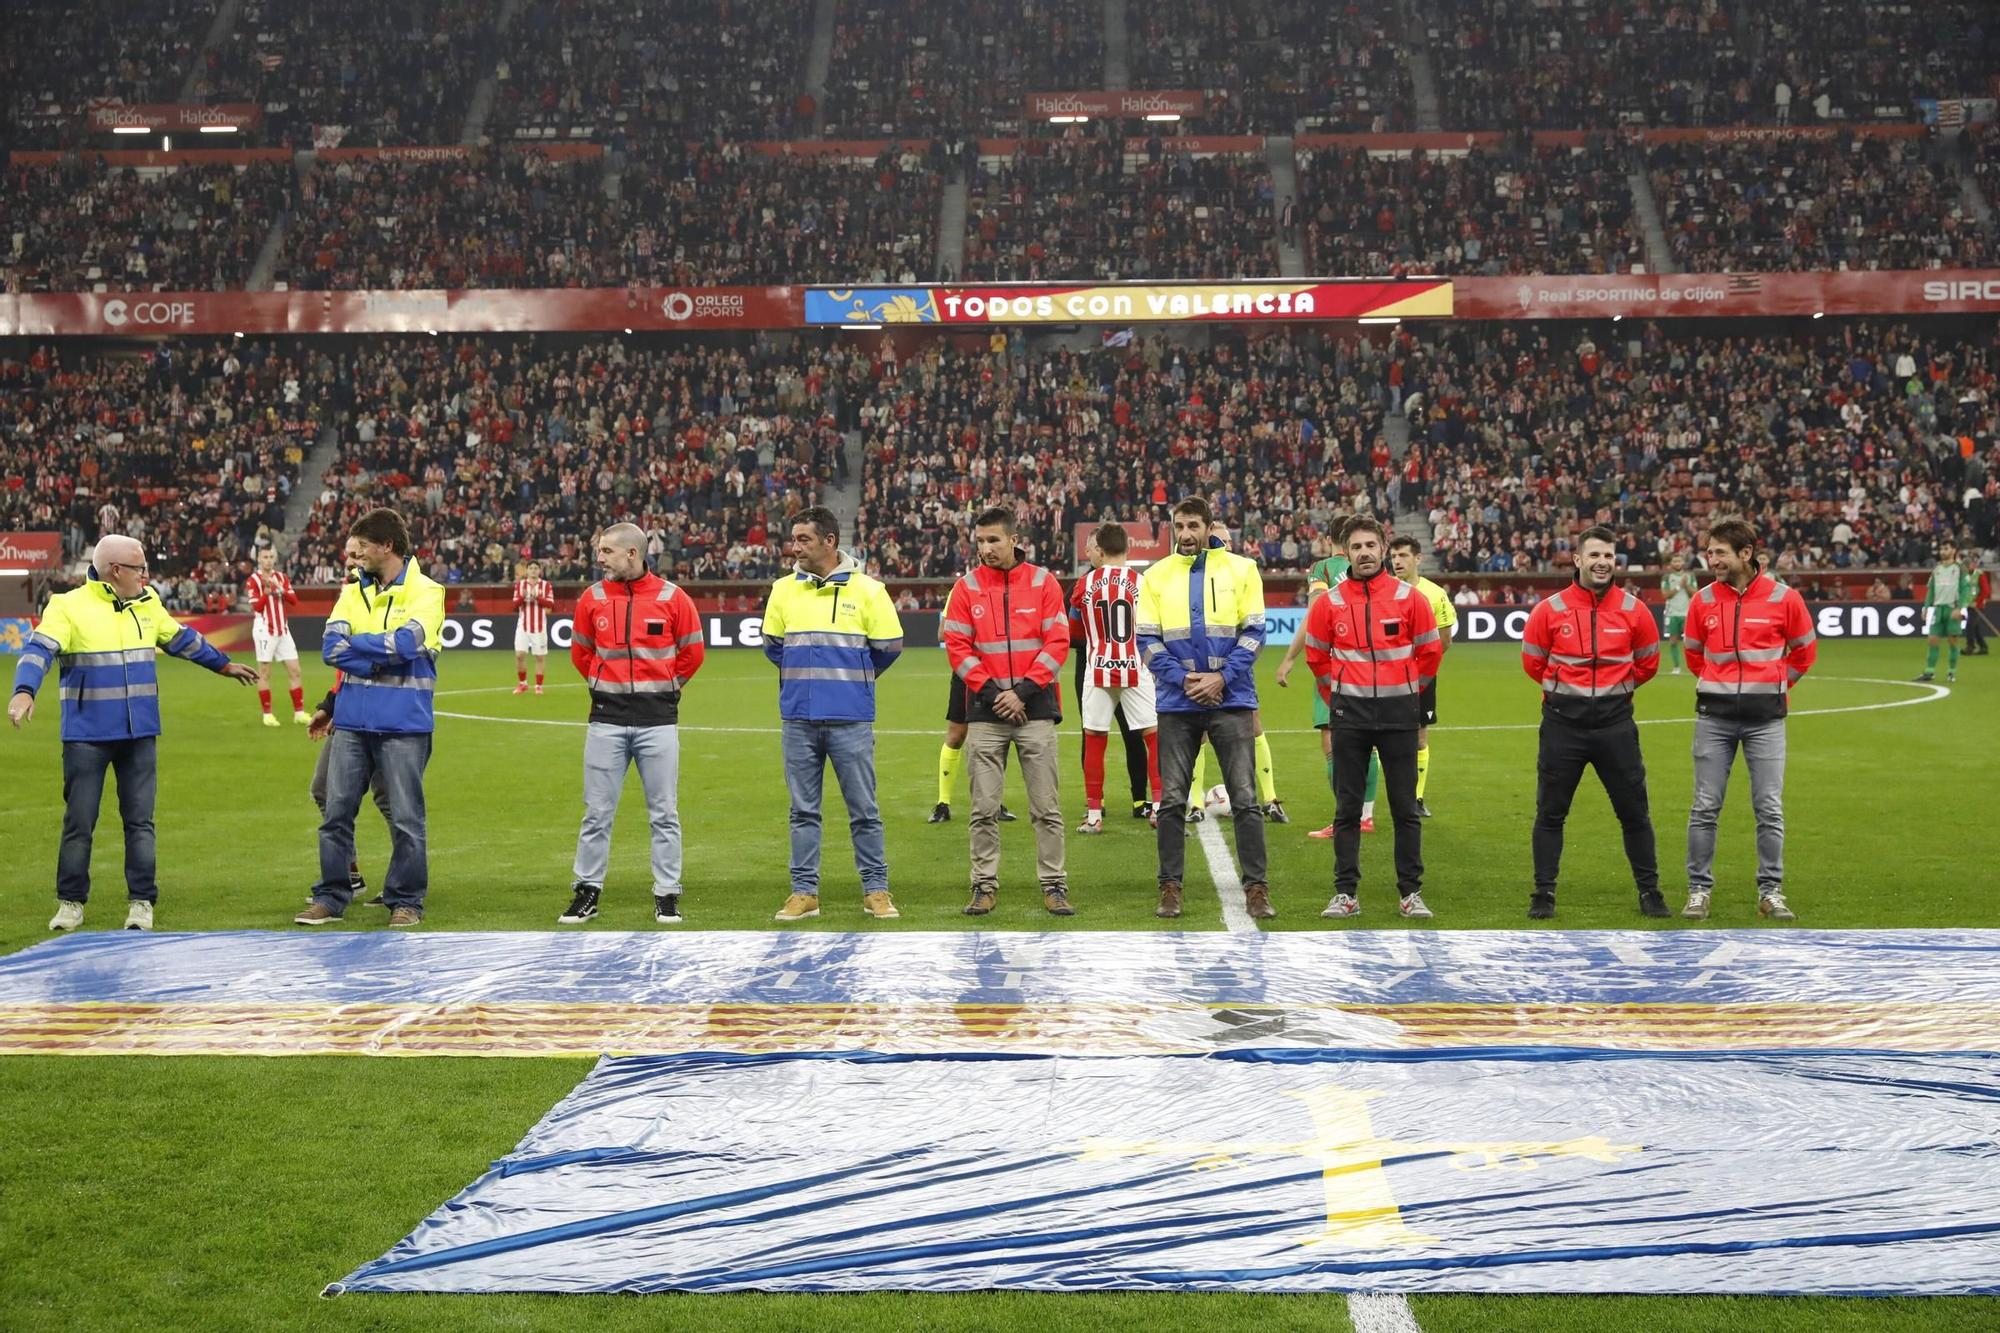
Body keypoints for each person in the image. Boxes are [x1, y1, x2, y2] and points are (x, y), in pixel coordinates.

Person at [11, 534, 257, 931]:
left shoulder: (148, 603)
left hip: (139, 734)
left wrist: (223, 665)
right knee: (80, 822)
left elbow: (182, 640)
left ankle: (141, 902)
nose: (147, 574)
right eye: (140, 568)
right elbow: (38, 651)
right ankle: (71, 902)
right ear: (116, 571)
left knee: (140, 822)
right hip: (86, 736)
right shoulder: (67, 606)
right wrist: (24, 692)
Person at [294, 508, 446, 928]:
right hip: (352, 724)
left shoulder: (428, 592)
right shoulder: (351, 591)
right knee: (336, 814)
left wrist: (361, 650)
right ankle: (332, 896)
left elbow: (407, 643)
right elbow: (330, 648)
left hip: (403, 726)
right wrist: (380, 656)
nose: (354, 557)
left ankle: (406, 900)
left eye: (362, 548)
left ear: (388, 547)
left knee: (406, 820)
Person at [762, 506, 905, 922]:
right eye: (794, 539)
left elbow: (890, 647)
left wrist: (854, 680)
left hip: (851, 718)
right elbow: (773, 645)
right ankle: (804, 893)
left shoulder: (869, 591)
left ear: (829, 541)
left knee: (864, 809)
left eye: (804, 539)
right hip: (798, 718)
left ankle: (876, 890)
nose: (795, 547)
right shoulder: (782, 589)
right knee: (802, 810)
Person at [561, 524, 706, 926]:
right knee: (596, 812)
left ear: (632, 554)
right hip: (606, 719)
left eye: (607, 551)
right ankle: (586, 891)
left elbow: (692, 652)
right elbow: (581, 652)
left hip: (658, 721)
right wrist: (600, 684)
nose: (600, 557)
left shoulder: (672, 598)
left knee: (664, 812)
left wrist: (667, 687)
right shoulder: (591, 598)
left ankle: (667, 893)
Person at [1137, 496, 1273, 920]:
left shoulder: (1242, 569)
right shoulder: (1155, 575)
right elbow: (1146, 640)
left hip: (1230, 699)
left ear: (1210, 526)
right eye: (1180, 526)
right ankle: (1170, 888)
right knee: (1173, 801)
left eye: (1194, 525)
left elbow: (1254, 634)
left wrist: (1220, 678)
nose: (1187, 533)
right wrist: (1186, 680)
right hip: (1178, 703)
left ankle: (1257, 889)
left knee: (1246, 799)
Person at [1520, 526, 1666, 919]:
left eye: (1609, 556)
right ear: (1578, 559)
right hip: (1562, 727)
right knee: (1550, 813)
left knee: (1634, 813)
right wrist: (1570, 692)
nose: (1602, 563)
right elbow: (1534, 663)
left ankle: (1650, 891)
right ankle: (1543, 893)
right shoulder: (1548, 610)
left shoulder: (1635, 610)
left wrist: (1614, 691)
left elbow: (1648, 662)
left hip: (1616, 728)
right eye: (1595, 555)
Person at [1301, 516, 1443, 920]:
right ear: (1346, 552)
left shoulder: (1409, 598)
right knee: (1347, 809)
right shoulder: (1330, 601)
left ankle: (1410, 893)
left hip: (1399, 715)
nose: (1364, 553)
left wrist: (1408, 691)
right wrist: (1341, 694)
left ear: (1383, 549)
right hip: (1351, 716)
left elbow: (1430, 652)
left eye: (1371, 546)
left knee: (1404, 809)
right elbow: (1316, 655)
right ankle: (1345, 893)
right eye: (1356, 547)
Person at [1683, 516, 1817, 922]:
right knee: (1705, 807)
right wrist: (1718, 684)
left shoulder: (1785, 598)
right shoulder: (1701, 600)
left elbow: (1804, 652)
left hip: (1766, 722)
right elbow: (1693, 654)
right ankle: (1698, 890)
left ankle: (1770, 892)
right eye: (1710, 552)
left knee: (1769, 808)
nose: (1712, 559)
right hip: (1714, 719)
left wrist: (1775, 686)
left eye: (1720, 552)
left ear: (1746, 554)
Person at [941, 506, 1074, 916]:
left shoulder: (1043, 582)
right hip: (986, 713)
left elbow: (1058, 643)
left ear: (1014, 539)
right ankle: (983, 885)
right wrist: (995, 692)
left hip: (1034, 711)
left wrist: (1022, 692)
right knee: (983, 809)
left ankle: (1054, 885)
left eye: (993, 540)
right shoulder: (966, 588)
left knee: (1046, 809)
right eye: (980, 541)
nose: (986, 548)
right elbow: (958, 649)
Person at [1276, 516, 1381, 837]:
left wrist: (1290, 658)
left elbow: (1317, 613)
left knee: (1333, 739)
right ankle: (1366, 815)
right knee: (1372, 742)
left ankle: (1345, 817)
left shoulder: (1322, 570)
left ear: (1329, 539)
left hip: (1337, 665)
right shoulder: (1376, 567)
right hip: (1375, 666)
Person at [1184, 522, 1286, 826]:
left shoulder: (1242, 574)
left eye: (1228, 541)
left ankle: (1269, 799)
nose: (1224, 545)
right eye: (1218, 540)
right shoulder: (1192, 577)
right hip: (1199, 668)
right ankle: (1194, 803)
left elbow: (1253, 626)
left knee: (1253, 725)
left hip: (1236, 668)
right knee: (1198, 734)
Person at [1071, 523, 1161, 833]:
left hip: (1097, 667)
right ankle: (1159, 809)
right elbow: (1153, 627)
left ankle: (1094, 814)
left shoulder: (1084, 584)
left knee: (1095, 739)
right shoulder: (1143, 582)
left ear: (1099, 550)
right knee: (1153, 736)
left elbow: (1075, 630)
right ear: (1127, 548)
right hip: (1135, 666)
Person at [306, 671, 394, 907]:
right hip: (349, 713)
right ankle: (348, 873)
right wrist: (331, 706)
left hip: (390, 715)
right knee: (323, 789)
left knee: (394, 801)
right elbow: (345, 671)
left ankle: (403, 884)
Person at [1388, 536, 1457, 818]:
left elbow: (1444, 639)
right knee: (1379, 737)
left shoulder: (1435, 594)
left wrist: (1423, 669)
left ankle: (1416, 797)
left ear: (1418, 559)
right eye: (1393, 556)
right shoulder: (1384, 591)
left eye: (1403, 556)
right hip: (1387, 677)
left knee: (1419, 737)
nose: (1397, 561)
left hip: (1420, 678)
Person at [246, 547, 306, 726]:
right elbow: (257, 607)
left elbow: (294, 600)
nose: (268, 560)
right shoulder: (253, 580)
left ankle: (299, 713)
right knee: (265, 672)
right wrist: (266, 591)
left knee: (295, 670)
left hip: (283, 629)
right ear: (258, 559)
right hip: (264, 629)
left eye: (271, 557)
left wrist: (279, 589)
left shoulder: (281, 578)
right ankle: (267, 714)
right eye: (265, 557)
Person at [1915, 539, 1968, 683]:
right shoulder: (1936, 569)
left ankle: (1951, 672)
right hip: (1938, 610)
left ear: (1953, 550)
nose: (1942, 551)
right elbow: (1931, 590)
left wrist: (1960, 608)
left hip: (1952, 609)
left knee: (1953, 642)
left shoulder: (1960, 568)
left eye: (1946, 548)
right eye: (1941, 549)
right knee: (1932, 640)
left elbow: (1965, 589)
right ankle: (1929, 672)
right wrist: (1926, 607)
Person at [513, 559, 557, 695]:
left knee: (539, 657)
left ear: (540, 571)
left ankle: (538, 686)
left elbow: (551, 605)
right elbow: (514, 606)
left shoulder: (546, 585)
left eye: (535, 568)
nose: (533, 570)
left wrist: (537, 598)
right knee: (520, 655)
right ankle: (523, 684)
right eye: (531, 568)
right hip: (523, 626)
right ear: (527, 570)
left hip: (539, 626)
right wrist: (523, 597)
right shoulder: (520, 585)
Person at [1661, 551, 1700, 675]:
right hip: (1672, 613)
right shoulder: (1666, 577)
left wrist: (1686, 585)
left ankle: (1694, 666)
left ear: (1683, 562)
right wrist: (1679, 586)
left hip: (1687, 613)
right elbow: (1665, 595)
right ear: (1671, 563)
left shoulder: (1690, 576)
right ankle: (1676, 667)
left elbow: (1695, 593)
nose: (1677, 563)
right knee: (1673, 641)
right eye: (1675, 561)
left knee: (1691, 642)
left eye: (1679, 561)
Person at [1963, 550, 1992, 656]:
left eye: (1968, 565)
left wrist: (1977, 602)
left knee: (1970, 625)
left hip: (1978, 605)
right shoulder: (1965, 576)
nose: (1966, 568)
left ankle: (1970, 647)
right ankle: (1983, 647)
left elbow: (1985, 591)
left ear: (1973, 565)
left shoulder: (1979, 574)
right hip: (1969, 605)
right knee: (1975, 627)